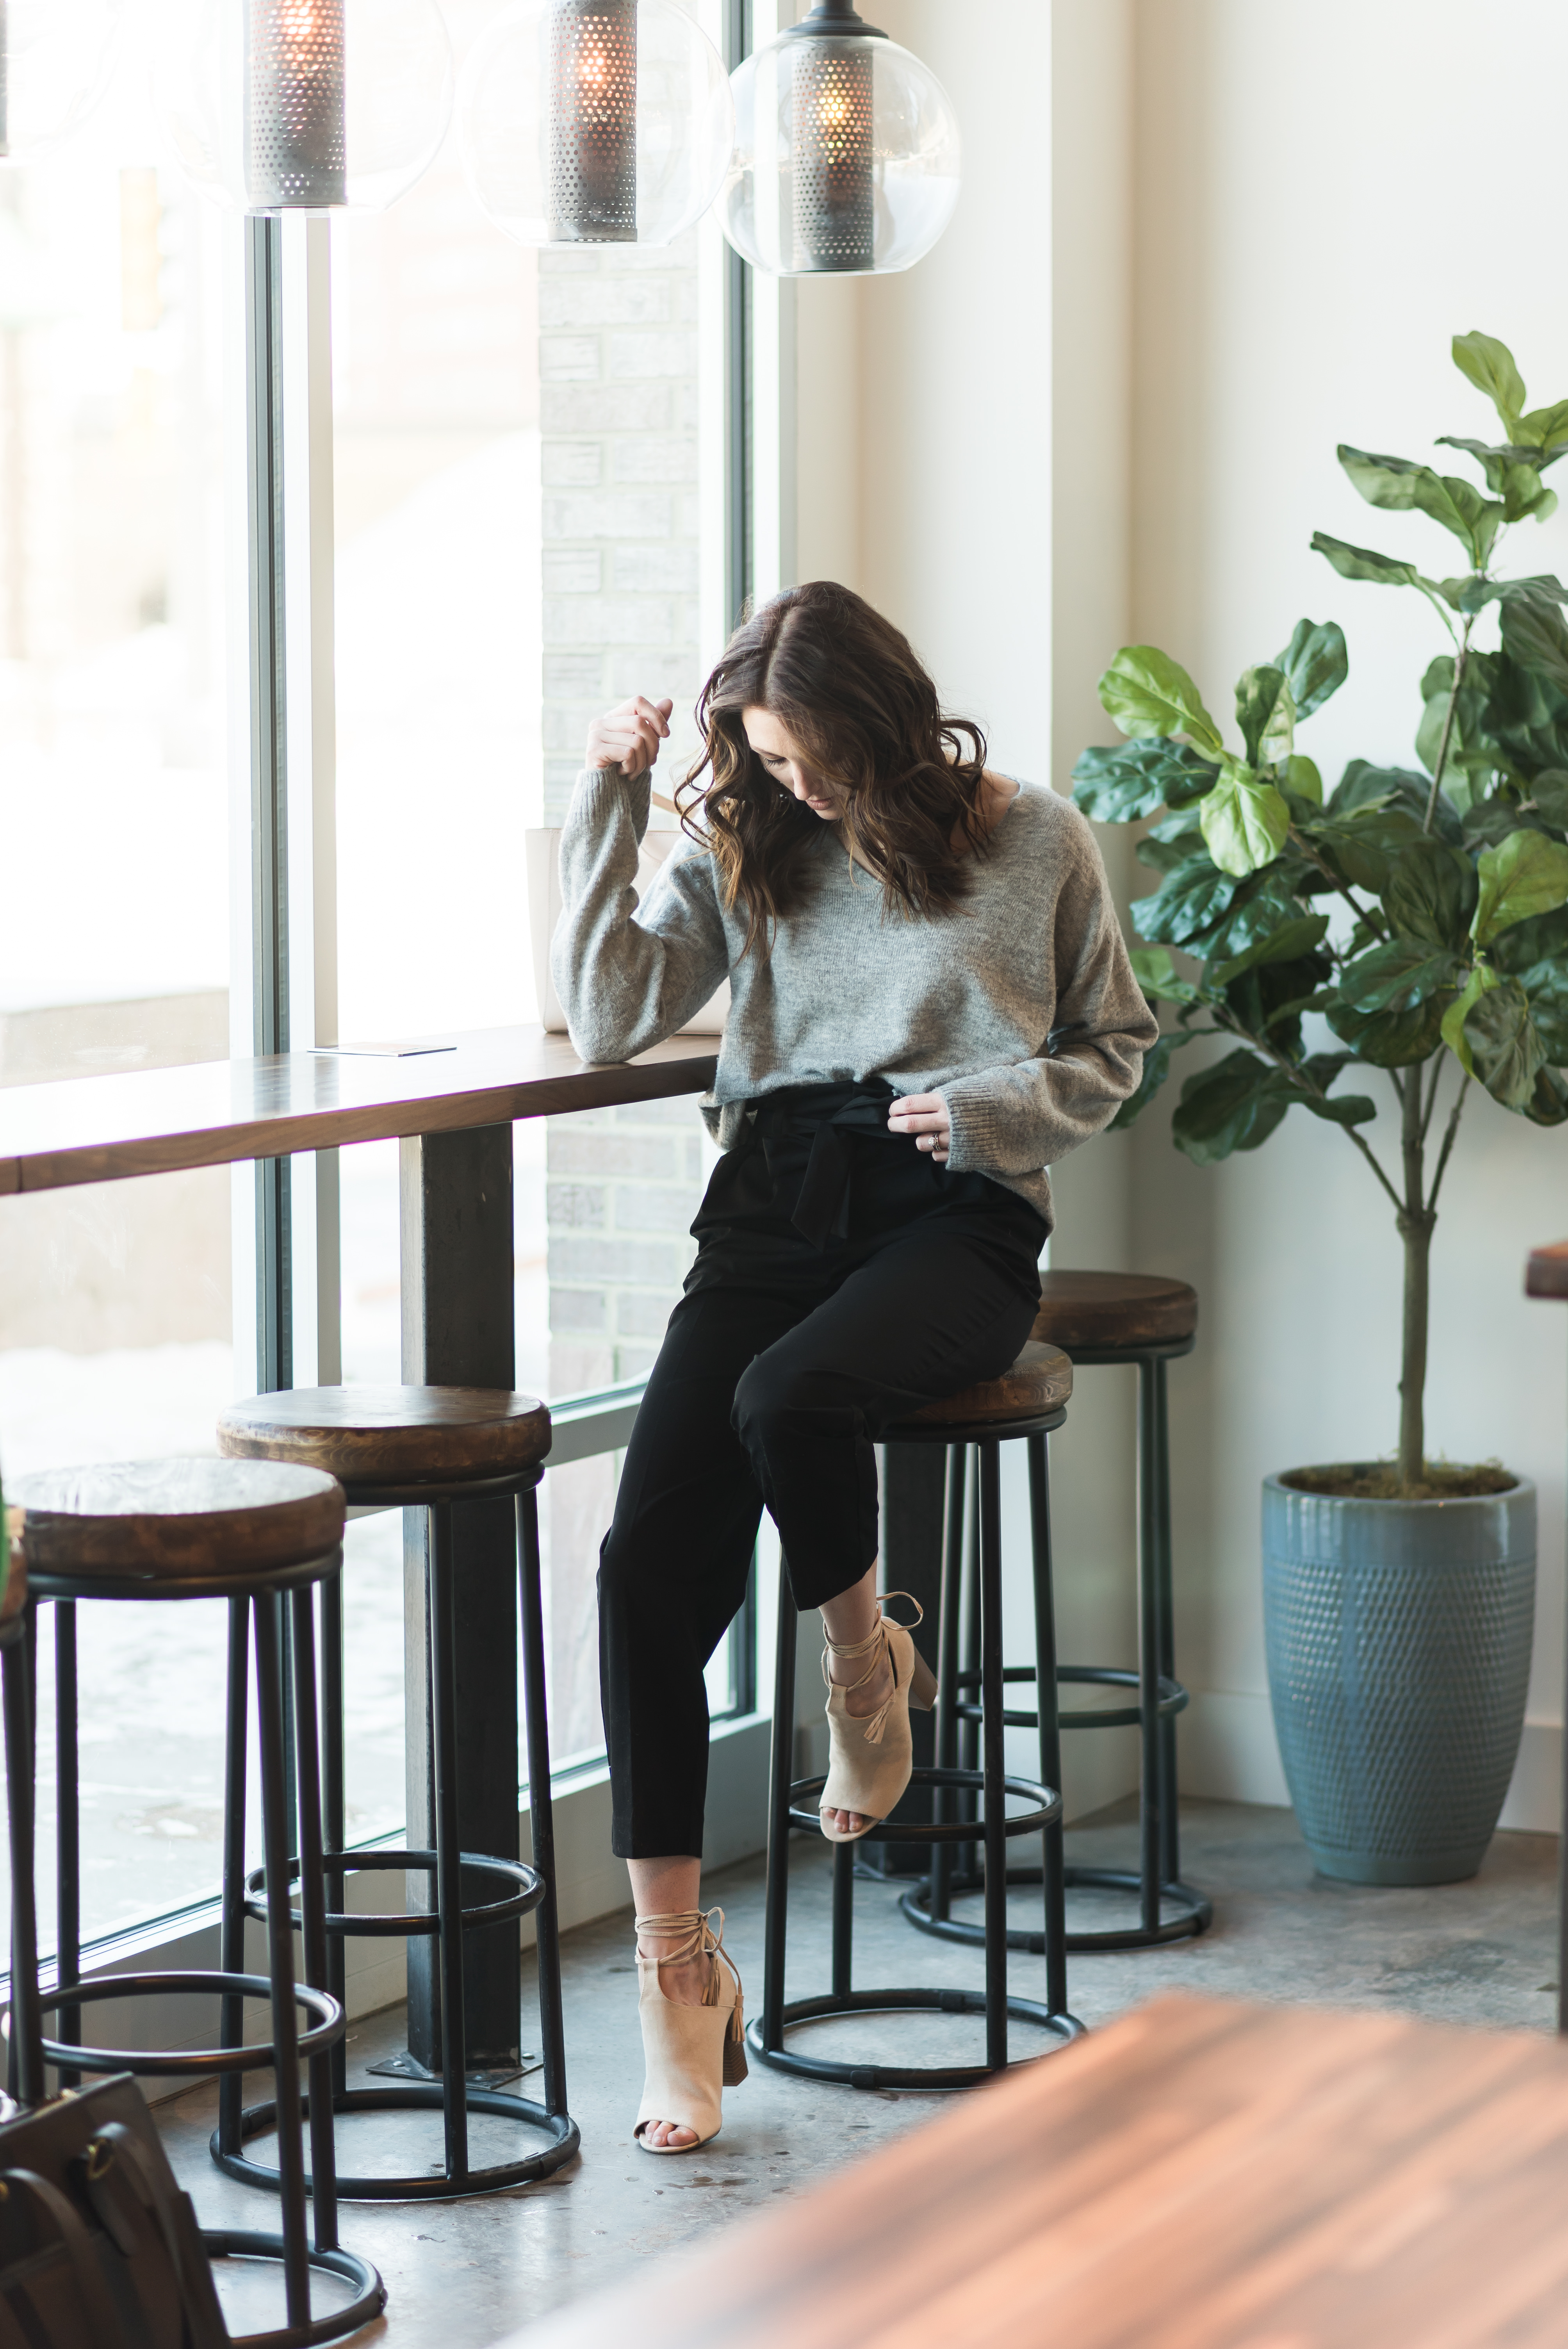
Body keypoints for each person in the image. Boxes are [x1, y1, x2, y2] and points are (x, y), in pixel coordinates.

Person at [551, 580, 1157, 2155]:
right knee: (638, 1569)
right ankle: (676, 1980)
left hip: (949, 1213)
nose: (803, 786)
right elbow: (605, 1016)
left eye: (820, 757)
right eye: (771, 759)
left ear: (883, 716)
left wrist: (990, 1116)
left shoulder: (1032, 839)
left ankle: (859, 1676)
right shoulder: (749, 842)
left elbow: (1114, 1041)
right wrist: (606, 799)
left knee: (786, 1397)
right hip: (768, 1200)